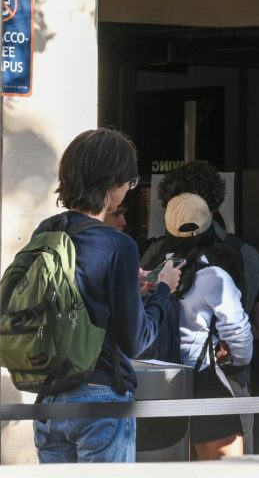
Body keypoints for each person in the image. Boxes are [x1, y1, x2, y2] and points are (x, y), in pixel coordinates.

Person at [31, 128, 181, 464]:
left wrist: (130, 285)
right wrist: (164, 290)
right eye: (129, 181)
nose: (129, 188)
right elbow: (136, 340)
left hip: (49, 400)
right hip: (100, 398)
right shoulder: (119, 245)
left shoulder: (46, 232)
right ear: (112, 182)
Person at [150, 160, 259, 449]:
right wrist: (229, 346)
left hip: (157, 389)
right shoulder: (243, 254)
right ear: (215, 204)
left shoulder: (151, 258)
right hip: (223, 388)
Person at [143, 192, 253, 459]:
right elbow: (240, 336)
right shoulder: (213, 276)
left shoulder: (148, 276)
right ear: (208, 228)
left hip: (155, 389)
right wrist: (234, 359)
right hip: (205, 383)